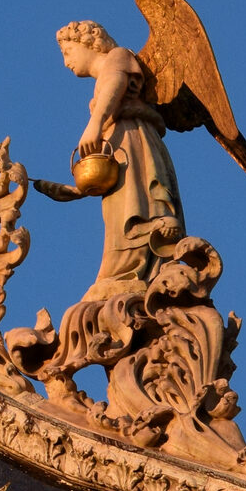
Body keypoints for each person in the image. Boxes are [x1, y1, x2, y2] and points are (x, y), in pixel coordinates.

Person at [54, 22, 184, 298]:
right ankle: (123, 269)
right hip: (122, 145)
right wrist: (79, 188)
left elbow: (116, 80)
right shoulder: (105, 89)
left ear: (89, 43)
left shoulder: (119, 57)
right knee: (119, 210)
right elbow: (106, 173)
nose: (66, 62)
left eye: (68, 51)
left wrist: (96, 122)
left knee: (135, 204)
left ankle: (133, 267)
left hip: (133, 140)